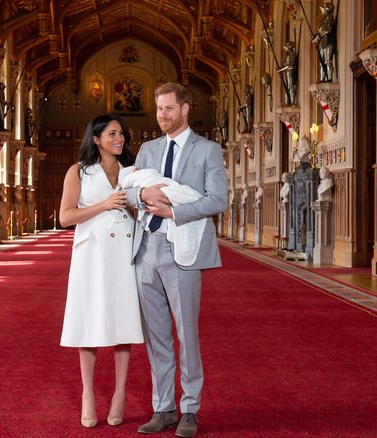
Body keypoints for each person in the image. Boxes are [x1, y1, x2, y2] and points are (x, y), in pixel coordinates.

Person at [124, 82, 227, 437]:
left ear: (185, 109)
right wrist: (141, 193)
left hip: (182, 248)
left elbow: (217, 200)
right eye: (159, 109)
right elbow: (128, 191)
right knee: (156, 336)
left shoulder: (208, 150)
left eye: (169, 108)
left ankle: (189, 409)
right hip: (145, 249)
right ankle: (163, 407)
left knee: (186, 333)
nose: (162, 115)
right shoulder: (148, 148)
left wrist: (174, 210)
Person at [59, 114, 143, 429]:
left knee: (123, 322)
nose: (118, 138)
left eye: (121, 133)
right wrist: (105, 204)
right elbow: (66, 217)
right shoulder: (79, 171)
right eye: (111, 133)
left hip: (124, 253)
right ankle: (88, 394)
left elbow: (140, 212)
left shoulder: (132, 172)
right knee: (90, 322)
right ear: (95, 139)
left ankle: (120, 392)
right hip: (91, 255)